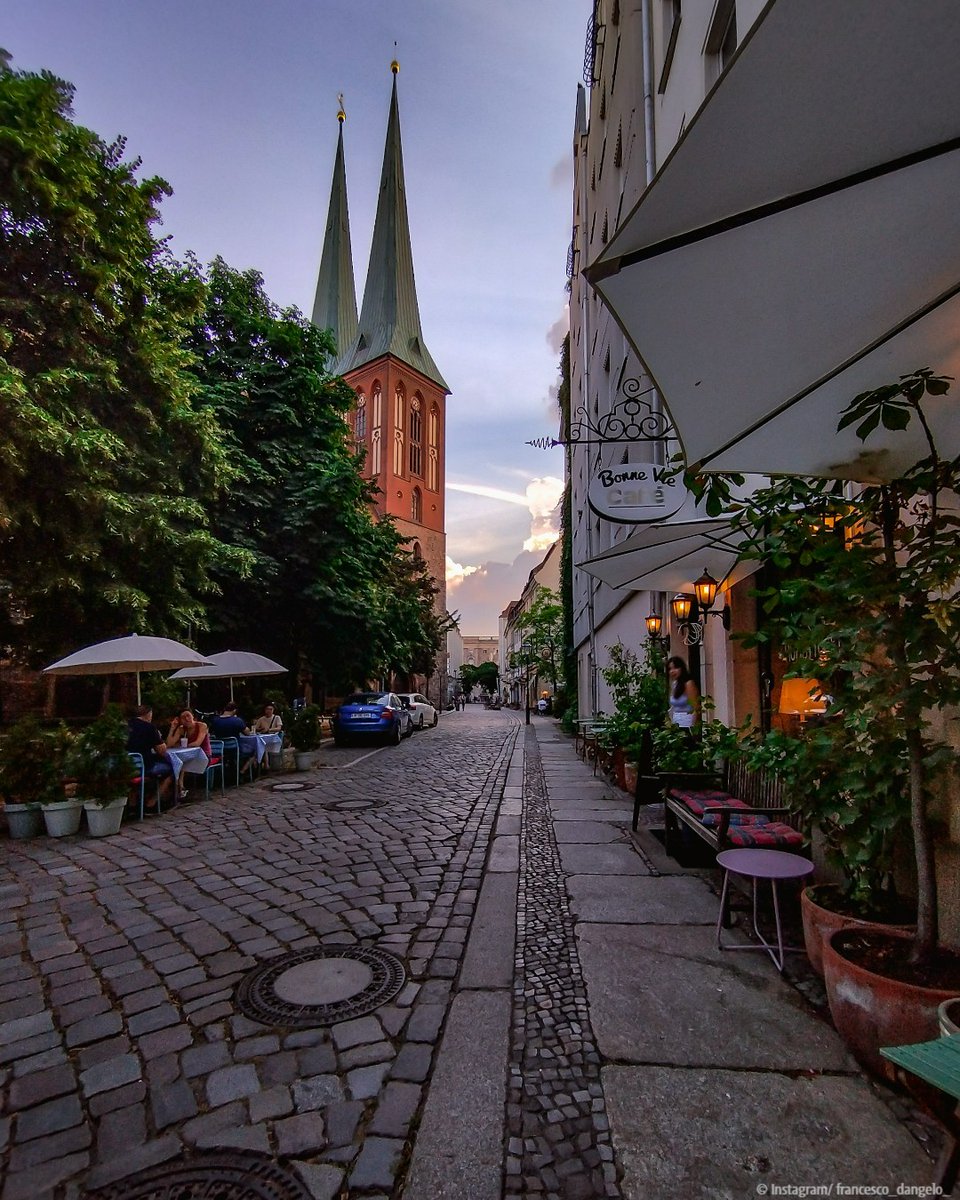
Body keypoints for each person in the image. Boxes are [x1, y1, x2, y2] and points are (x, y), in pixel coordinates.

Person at [126, 705, 173, 809]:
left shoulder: (124, 726)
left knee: (132, 776)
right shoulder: (149, 728)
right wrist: (159, 738)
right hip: (144, 767)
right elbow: (162, 751)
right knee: (171, 769)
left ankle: (132, 804)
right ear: (148, 714)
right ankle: (152, 803)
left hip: (125, 766)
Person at [166, 710, 211, 800]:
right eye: (183, 717)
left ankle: (180, 788)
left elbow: (197, 743)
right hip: (188, 756)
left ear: (193, 716)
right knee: (178, 763)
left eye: (188, 716)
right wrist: (172, 728)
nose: (187, 719)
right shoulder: (181, 729)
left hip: (202, 755)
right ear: (180, 720)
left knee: (181, 763)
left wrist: (182, 745)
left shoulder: (202, 726)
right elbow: (169, 744)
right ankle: (180, 789)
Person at [666, 656, 700, 728]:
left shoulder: (688, 684)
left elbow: (695, 706)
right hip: (676, 724)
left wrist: (694, 726)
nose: (672, 671)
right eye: (670, 669)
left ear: (681, 668)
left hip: (687, 723)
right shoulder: (675, 684)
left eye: (675, 668)